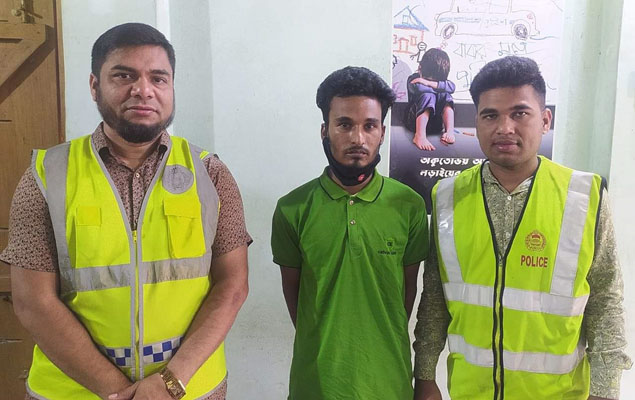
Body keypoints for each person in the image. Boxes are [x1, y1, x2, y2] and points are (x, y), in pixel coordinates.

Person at [1, 23, 250, 400]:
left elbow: (232, 286)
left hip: (189, 389)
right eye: (124, 75)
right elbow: (33, 302)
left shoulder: (210, 174)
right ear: (94, 85)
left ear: (172, 88)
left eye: (158, 78)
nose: (143, 90)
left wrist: (170, 382)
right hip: (74, 393)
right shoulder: (47, 176)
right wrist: (121, 393)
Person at [413, 56, 631, 400]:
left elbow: (605, 300)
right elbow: (435, 298)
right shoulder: (447, 197)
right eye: (490, 115)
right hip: (471, 393)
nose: (504, 128)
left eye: (519, 113)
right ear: (476, 122)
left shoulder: (583, 196)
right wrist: (425, 375)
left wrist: (605, 390)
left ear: (545, 120)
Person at [271, 66, 429, 399]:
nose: (358, 139)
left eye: (369, 126)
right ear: (325, 130)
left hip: (390, 385)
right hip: (315, 386)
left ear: (382, 133)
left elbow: (405, 296)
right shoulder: (292, 209)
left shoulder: (409, 206)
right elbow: (297, 301)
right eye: (344, 124)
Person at [405, 48, 456, 151]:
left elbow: (452, 87)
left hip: (436, 124)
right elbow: (419, 88)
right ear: (420, 68)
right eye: (427, 80)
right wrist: (439, 87)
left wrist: (428, 83)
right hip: (414, 123)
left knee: (446, 96)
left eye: (436, 82)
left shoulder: (434, 82)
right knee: (428, 96)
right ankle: (419, 136)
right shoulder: (413, 79)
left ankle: (449, 131)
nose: (431, 83)